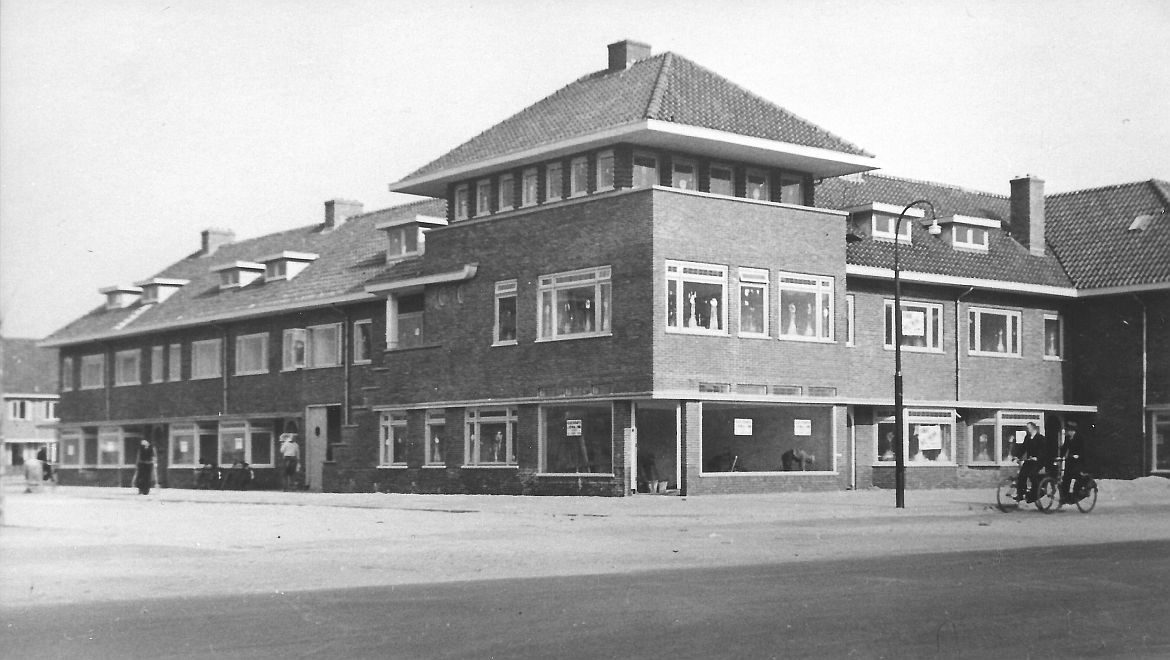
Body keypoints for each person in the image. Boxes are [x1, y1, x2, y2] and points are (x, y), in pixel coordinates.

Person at [1014, 422, 1048, 503]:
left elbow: (1043, 450)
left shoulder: (1040, 438)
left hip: (1038, 461)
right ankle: (1020, 494)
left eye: (1028, 427)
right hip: (1029, 460)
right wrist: (1017, 456)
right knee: (1021, 475)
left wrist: (1037, 457)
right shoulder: (1028, 437)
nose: (1027, 429)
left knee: (1032, 474)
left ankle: (1035, 494)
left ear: (1033, 428)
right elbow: (1023, 448)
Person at [1059, 421, 1087, 502]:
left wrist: (1078, 455)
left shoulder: (1080, 438)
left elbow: (1083, 449)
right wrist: (1060, 456)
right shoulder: (1068, 438)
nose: (1069, 432)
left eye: (1070, 431)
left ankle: (1077, 493)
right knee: (1066, 479)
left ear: (1074, 431)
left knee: (1077, 475)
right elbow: (1064, 448)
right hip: (1070, 460)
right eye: (1068, 431)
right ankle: (1065, 497)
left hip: (1079, 461)